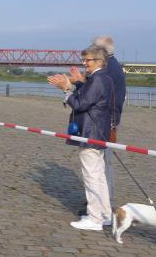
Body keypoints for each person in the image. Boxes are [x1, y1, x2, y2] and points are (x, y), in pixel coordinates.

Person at [48, 45, 114, 231]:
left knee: (92, 177)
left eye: (87, 60)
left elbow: (80, 104)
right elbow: (89, 97)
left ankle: (94, 219)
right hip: (97, 133)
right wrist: (77, 83)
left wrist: (66, 89)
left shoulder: (98, 79)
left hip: (90, 133)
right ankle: (105, 215)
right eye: (83, 60)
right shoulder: (103, 78)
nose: (84, 63)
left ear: (99, 61)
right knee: (99, 176)